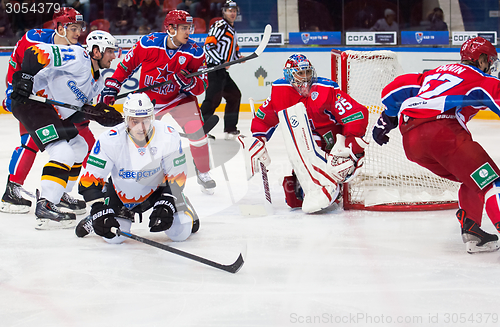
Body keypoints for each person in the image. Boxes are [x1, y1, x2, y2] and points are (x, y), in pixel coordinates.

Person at [372, 36, 500, 254]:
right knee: (491, 180)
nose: (490, 67)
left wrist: (387, 118)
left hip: (412, 141)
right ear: (480, 59)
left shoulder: (435, 73)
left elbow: (398, 87)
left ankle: (473, 232)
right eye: (489, 61)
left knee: (470, 177)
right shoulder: (477, 77)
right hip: (443, 133)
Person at [9, 30, 123, 229]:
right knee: (63, 152)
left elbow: (73, 113)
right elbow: (34, 51)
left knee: (79, 146)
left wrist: (95, 114)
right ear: (96, 51)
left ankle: (59, 194)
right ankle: (45, 204)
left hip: (50, 110)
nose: (114, 56)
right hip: (31, 102)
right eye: (110, 51)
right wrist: (25, 77)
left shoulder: (97, 82)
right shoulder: (78, 57)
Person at [100, 10, 216, 194]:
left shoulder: (194, 51)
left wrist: (189, 82)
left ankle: (203, 172)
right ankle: (115, 177)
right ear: (170, 28)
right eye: (183, 28)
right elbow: (126, 65)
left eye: (189, 28)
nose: (188, 32)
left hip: (179, 99)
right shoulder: (149, 43)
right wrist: (113, 86)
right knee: (134, 140)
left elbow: (202, 85)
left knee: (198, 134)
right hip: (149, 101)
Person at [243, 54, 369, 213]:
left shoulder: (326, 90)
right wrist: (258, 138)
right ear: (289, 75)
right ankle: (315, 183)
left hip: (334, 143)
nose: (305, 78)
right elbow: (263, 119)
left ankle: (330, 184)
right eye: (299, 73)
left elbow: (356, 115)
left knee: (327, 161)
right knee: (295, 196)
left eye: (307, 72)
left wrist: (351, 148)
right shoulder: (280, 92)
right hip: (305, 145)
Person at [1, 8, 96, 215]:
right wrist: (11, 88)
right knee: (30, 141)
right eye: (73, 27)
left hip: (49, 102)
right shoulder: (34, 38)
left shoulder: (74, 48)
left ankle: (58, 192)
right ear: (60, 27)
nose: (78, 32)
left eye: (80, 27)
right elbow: (15, 62)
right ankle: (12, 190)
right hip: (29, 100)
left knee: (75, 143)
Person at [75, 93, 199, 243]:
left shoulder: (168, 135)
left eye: (146, 120)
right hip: (121, 192)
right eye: (135, 121)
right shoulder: (109, 140)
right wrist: (98, 209)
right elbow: (90, 179)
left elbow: (177, 174)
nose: (141, 128)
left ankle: (183, 204)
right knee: (114, 238)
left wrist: (168, 199)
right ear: (126, 119)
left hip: (158, 190)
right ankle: (107, 209)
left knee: (180, 233)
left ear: (152, 117)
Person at [200, 0, 242, 140]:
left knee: (234, 95)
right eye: (230, 11)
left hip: (221, 71)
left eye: (234, 11)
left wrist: (238, 57)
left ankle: (230, 129)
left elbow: (231, 49)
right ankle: (200, 131)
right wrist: (221, 62)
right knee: (212, 100)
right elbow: (208, 46)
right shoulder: (220, 26)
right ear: (223, 12)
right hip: (214, 68)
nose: (233, 13)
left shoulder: (231, 29)